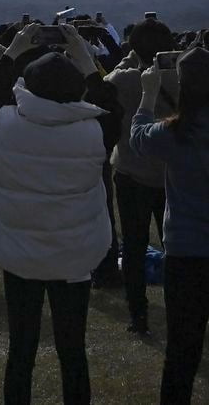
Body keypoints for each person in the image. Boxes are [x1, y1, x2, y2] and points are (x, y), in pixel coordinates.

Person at [0, 49, 110, 405]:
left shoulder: (2, 123)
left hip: (19, 252)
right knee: (72, 349)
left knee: (21, 346)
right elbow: (114, 106)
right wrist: (84, 57)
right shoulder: (96, 131)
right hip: (74, 255)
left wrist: (12, 50)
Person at [131, 44, 209, 405]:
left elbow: (138, 139)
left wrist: (147, 95)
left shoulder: (174, 134)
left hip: (186, 252)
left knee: (181, 350)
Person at [105, 17, 177, 333]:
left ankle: (138, 314)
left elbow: (104, 81)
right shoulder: (183, 80)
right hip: (171, 175)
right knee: (174, 245)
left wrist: (129, 59)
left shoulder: (123, 80)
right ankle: (182, 309)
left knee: (133, 247)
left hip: (130, 171)